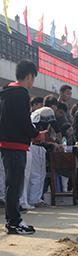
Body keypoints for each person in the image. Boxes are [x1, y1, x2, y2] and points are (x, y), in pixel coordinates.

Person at [0, 60, 46, 234]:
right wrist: (36, 135)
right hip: (16, 145)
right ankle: (13, 222)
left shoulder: (6, 92)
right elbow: (23, 122)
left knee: (12, 185)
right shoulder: (20, 93)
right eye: (33, 78)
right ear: (29, 76)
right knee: (15, 185)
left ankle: (14, 219)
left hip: (7, 144)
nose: (32, 82)